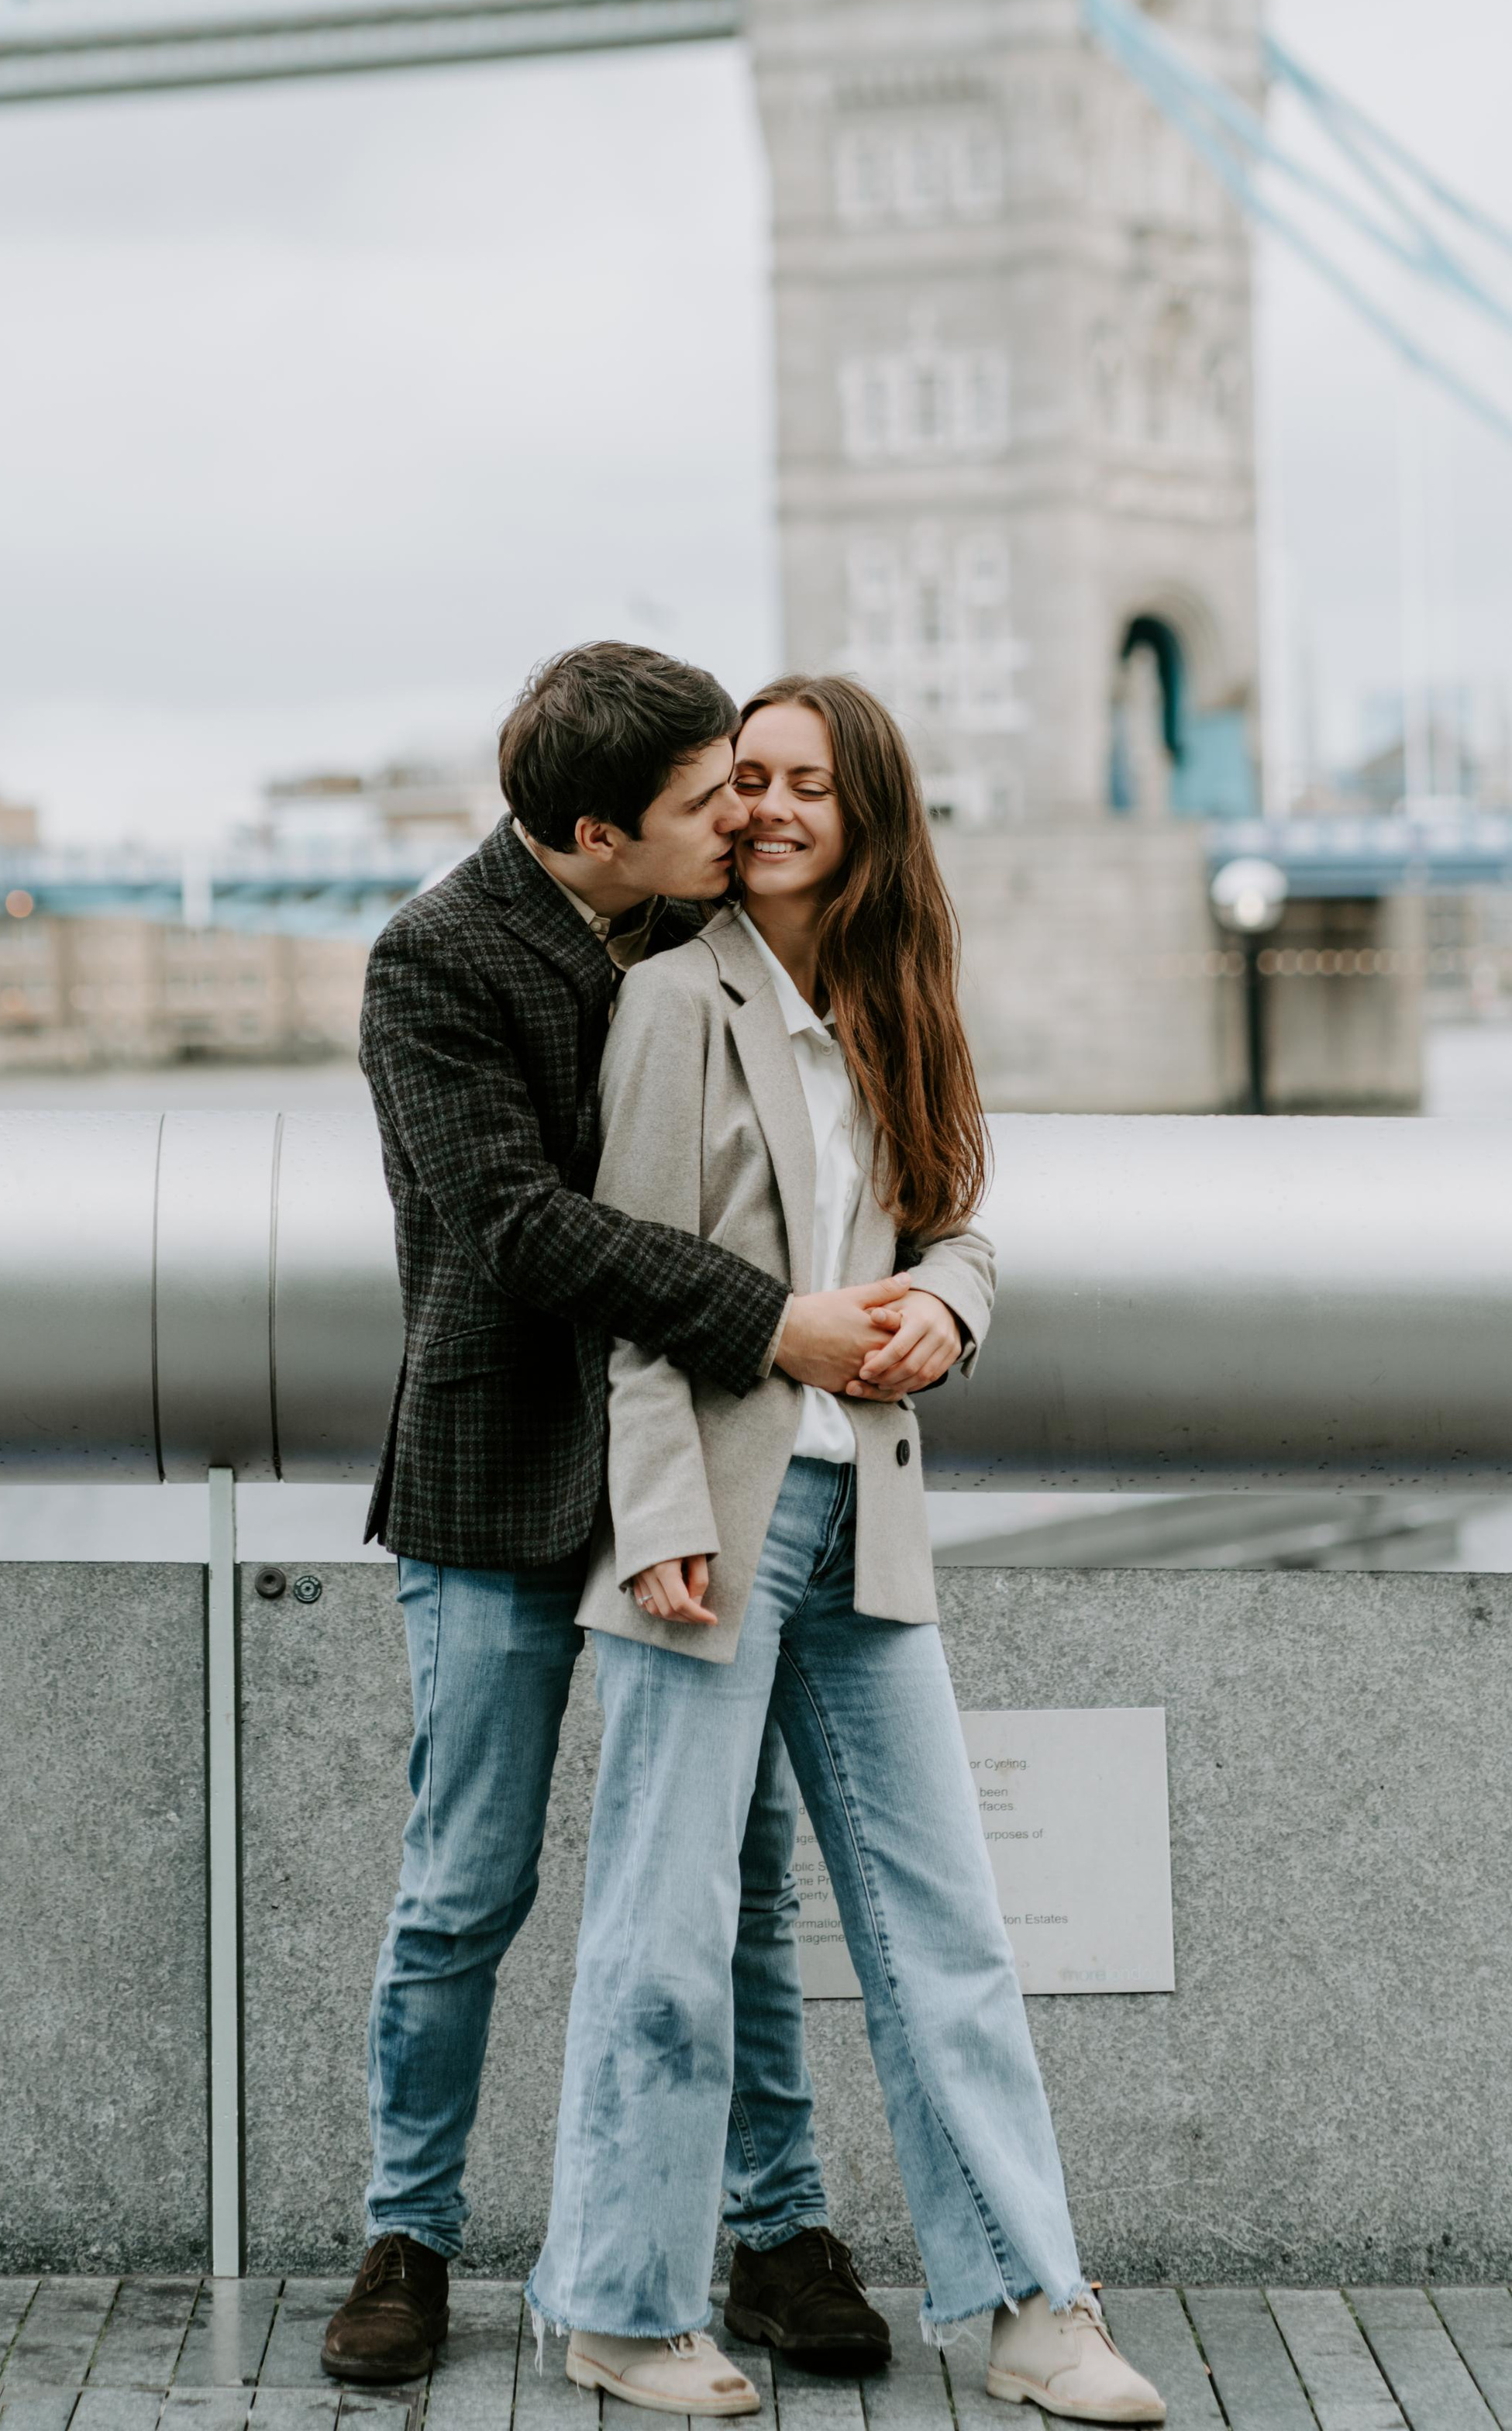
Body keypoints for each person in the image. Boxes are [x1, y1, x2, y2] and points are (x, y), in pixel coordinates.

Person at [524, 674, 1168, 2427]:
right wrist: (654, 1517)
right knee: (660, 1927)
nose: (776, 803)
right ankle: (620, 2305)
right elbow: (638, 1298)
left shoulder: (897, 1000)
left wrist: (948, 1316)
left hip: (863, 1518)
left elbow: (956, 1222)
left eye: (810, 779)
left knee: (943, 1924)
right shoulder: (668, 1001)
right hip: (712, 1533)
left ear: (867, 806)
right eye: (752, 777)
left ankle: (1032, 2302)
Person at [323, 645, 919, 2388]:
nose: (743, 811)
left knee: (732, 1878)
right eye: (707, 795)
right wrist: (770, 1318)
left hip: (704, 1465)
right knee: (464, 1883)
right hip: (502, 1472)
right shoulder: (433, 958)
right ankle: (409, 2232)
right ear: (597, 830)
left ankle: (773, 2224)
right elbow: (512, 1222)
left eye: (749, 777)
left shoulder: (701, 926)